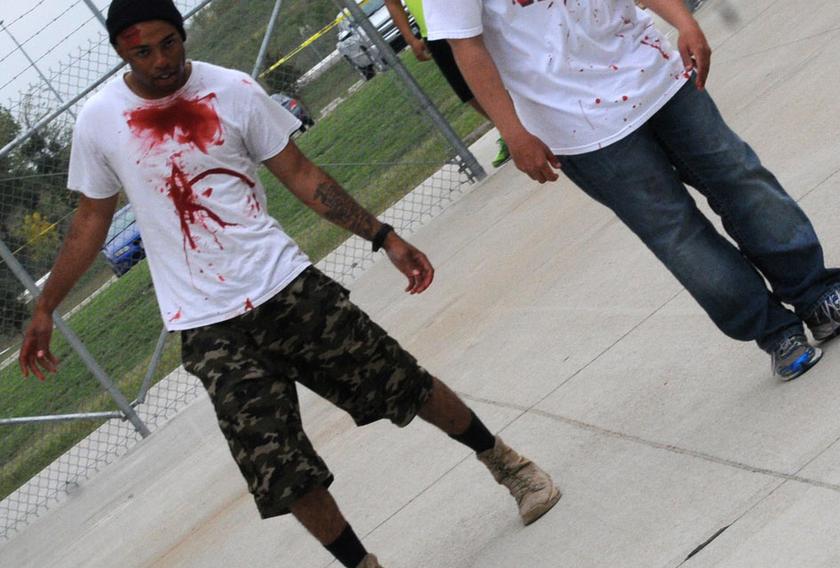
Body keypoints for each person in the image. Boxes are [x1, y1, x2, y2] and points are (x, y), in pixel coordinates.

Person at [17, 1, 561, 567]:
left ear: (182, 35)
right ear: (121, 55)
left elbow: (303, 176)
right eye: (142, 52)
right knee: (278, 467)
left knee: (402, 383)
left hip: (286, 287)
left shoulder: (231, 91)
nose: (162, 61)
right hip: (206, 326)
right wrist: (47, 307)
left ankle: (508, 465)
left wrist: (383, 236)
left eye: (169, 44)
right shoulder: (101, 120)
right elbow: (89, 219)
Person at [424, 0, 840, 381]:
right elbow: (466, 46)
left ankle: (818, 296)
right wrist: (513, 131)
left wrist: (682, 19)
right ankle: (774, 332)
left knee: (741, 178)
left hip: (653, 71)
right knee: (678, 234)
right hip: (577, 123)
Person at [382, 0, 512, 168]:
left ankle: (523, 121)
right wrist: (410, 38)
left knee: (498, 70)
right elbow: (392, 3)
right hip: (433, 31)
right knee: (466, 91)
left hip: (463, 16)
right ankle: (507, 130)